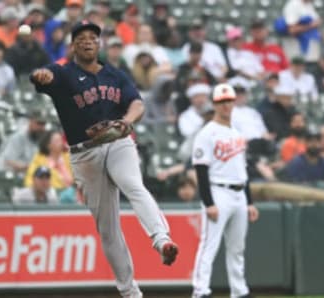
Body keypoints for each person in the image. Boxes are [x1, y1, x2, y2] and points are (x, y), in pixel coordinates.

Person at [30, 21, 178, 298]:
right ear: (74, 46)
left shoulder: (115, 75)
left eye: (93, 37)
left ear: (99, 44)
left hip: (117, 142)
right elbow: (43, 76)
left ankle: (162, 240)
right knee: (108, 229)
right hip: (84, 154)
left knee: (133, 185)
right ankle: (130, 292)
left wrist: (127, 121)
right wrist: (41, 76)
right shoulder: (63, 73)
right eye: (81, 38)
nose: (87, 41)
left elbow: (137, 104)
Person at [192, 83, 259, 298]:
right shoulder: (206, 133)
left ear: (234, 102)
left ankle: (239, 291)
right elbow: (201, 171)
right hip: (217, 191)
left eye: (228, 100)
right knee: (209, 245)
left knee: (237, 248)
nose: (226, 105)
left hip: (239, 193)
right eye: (221, 101)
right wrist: (209, 202)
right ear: (213, 104)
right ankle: (200, 290)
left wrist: (249, 202)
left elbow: (243, 170)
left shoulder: (237, 133)